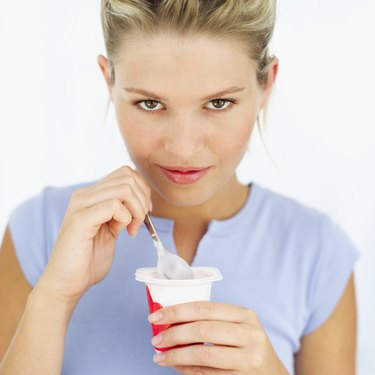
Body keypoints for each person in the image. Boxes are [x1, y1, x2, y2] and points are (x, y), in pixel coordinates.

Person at [0, 1, 359, 374]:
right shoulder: (39, 230)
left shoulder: (319, 254)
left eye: (219, 103)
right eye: (150, 103)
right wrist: (54, 297)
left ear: (266, 83)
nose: (184, 148)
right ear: (109, 80)